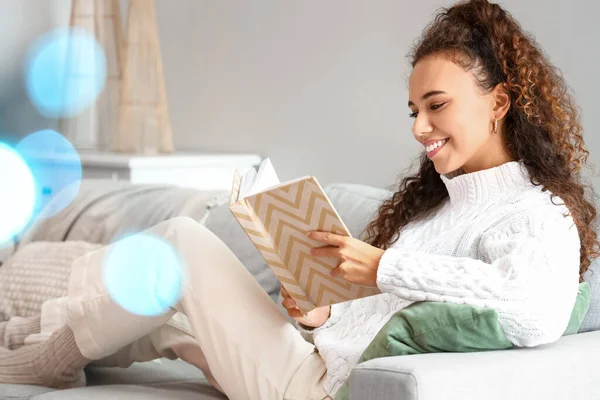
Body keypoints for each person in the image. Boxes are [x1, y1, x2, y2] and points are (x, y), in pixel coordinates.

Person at [0, 0, 597, 399]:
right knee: (165, 313)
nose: (420, 128)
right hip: (314, 354)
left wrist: (382, 264)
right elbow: (382, 316)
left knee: (180, 246)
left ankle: (40, 358)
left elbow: (533, 311)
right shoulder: (442, 203)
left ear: (499, 102)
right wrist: (324, 312)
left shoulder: (537, 212)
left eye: (437, 106)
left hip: (318, 387)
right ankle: (38, 344)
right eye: (414, 111)